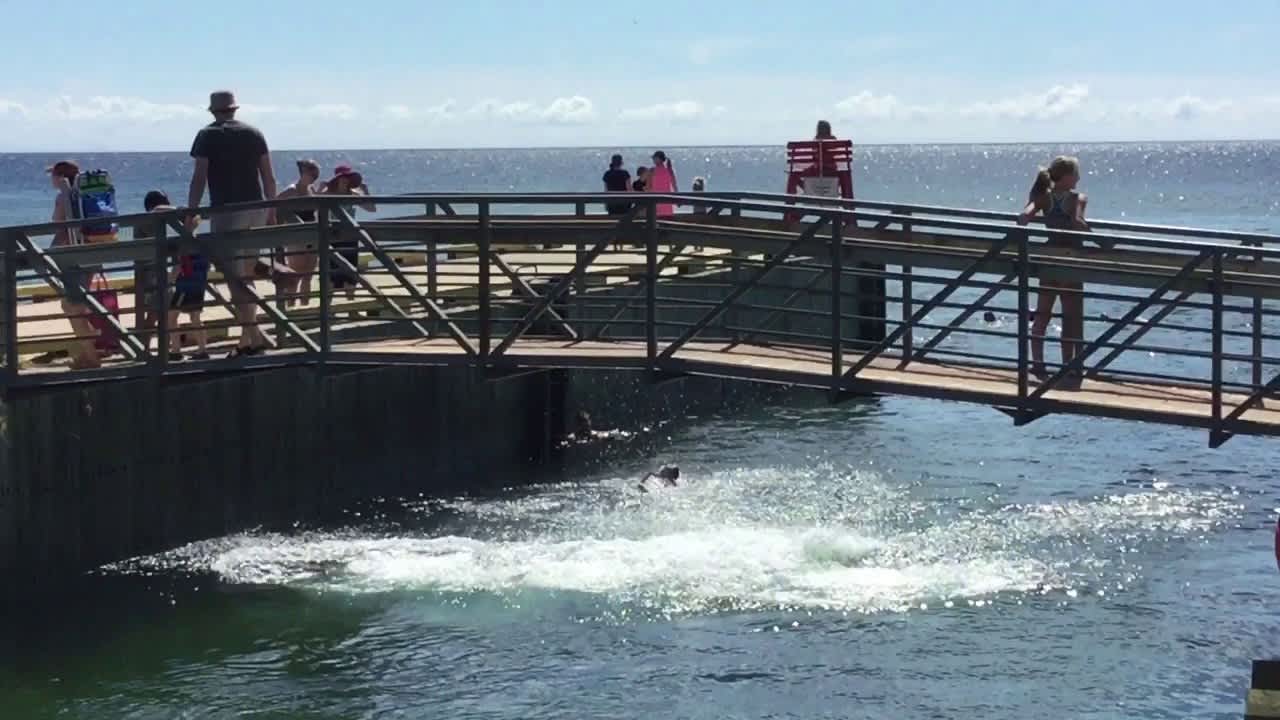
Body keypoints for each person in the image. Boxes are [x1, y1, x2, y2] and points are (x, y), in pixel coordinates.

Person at [186, 90, 277, 357]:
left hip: (227, 211)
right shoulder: (254, 133)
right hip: (257, 209)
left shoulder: (207, 135)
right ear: (234, 109)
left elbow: (199, 178)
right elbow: (269, 177)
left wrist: (191, 211)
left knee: (234, 278)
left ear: (213, 111)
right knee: (246, 275)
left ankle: (253, 338)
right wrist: (272, 210)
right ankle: (249, 338)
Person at [1017, 156, 1099, 382]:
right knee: (1071, 317)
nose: (1079, 178)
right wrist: (1102, 241)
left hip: (1049, 259)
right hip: (1070, 259)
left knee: (1042, 314)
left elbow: (1025, 215)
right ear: (1067, 177)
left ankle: (1038, 364)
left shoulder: (1044, 197)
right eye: (1076, 173)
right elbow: (1077, 223)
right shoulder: (1077, 198)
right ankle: (1069, 366)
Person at [144, 191, 209, 360]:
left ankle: (176, 351)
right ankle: (202, 350)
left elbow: (181, 263)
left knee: (171, 317)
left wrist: (172, 279)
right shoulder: (197, 242)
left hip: (184, 282)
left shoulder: (185, 243)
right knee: (195, 316)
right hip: (198, 281)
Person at [47, 160, 100, 370]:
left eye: (53, 175)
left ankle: (92, 357)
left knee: (73, 307)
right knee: (76, 306)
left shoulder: (64, 198)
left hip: (72, 258)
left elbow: (58, 225)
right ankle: (89, 354)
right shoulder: (84, 196)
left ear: (60, 178)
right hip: (91, 253)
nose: (51, 179)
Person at [321, 166, 375, 302]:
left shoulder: (353, 195)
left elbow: (371, 209)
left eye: (347, 178)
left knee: (351, 276)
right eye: (342, 178)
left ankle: (351, 308)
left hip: (351, 238)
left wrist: (365, 191)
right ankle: (328, 310)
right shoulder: (329, 194)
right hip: (333, 238)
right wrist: (320, 189)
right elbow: (313, 204)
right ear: (337, 180)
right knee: (331, 277)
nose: (345, 181)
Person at [274, 159, 322, 306]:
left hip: (312, 235)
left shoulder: (312, 190)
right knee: (294, 276)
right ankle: (291, 307)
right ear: (303, 173)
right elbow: (274, 206)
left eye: (316, 174)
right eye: (311, 173)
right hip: (296, 238)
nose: (314, 176)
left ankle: (304, 307)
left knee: (308, 276)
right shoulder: (291, 190)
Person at [647, 151, 678, 217]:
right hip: (666, 201)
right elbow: (675, 187)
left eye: (654, 158)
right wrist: (677, 200)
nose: (653, 160)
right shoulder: (669, 170)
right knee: (667, 222)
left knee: (656, 223)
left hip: (656, 201)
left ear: (659, 159)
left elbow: (648, 187)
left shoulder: (652, 171)